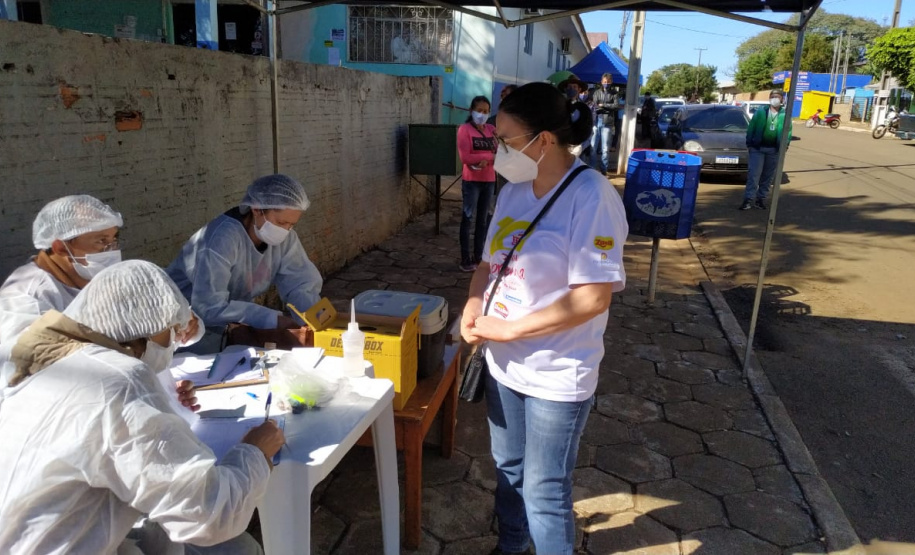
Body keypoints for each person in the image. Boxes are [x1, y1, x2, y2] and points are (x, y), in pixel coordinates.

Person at [0, 260, 284, 554]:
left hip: (24, 535)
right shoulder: (120, 380)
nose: (173, 341)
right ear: (142, 329)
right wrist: (255, 451)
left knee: (161, 541)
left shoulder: (53, 355)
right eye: (170, 330)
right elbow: (208, 513)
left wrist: (161, 397)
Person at [461, 82, 628, 555]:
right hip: (502, 365)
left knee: (544, 489)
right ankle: (511, 546)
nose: (499, 149)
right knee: (508, 469)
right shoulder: (514, 191)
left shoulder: (591, 196)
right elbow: (488, 265)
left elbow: (593, 299)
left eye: (508, 139)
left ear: (545, 140)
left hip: (557, 373)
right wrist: (474, 306)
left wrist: (510, 328)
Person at [167, 174, 322, 350]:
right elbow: (208, 308)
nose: (285, 230)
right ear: (257, 209)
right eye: (281, 222)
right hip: (186, 328)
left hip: (228, 323)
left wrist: (314, 317)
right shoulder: (222, 239)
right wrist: (271, 319)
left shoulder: (285, 239)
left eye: (291, 225)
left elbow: (300, 284)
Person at [0, 195, 124, 345]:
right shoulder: (27, 299)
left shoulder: (87, 277)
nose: (111, 250)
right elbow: (30, 358)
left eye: (114, 240)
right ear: (60, 248)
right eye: (101, 241)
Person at [457, 95, 498, 272]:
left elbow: (501, 152)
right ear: (471, 111)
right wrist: (489, 157)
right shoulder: (464, 130)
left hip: (489, 180)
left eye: (486, 111)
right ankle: (465, 259)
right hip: (471, 181)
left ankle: (480, 256)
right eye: (479, 111)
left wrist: (484, 158)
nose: (482, 114)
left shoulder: (491, 130)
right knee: (468, 219)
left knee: (483, 221)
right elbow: (465, 157)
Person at [740, 89, 792, 211]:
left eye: (778, 97)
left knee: (767, 177)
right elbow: (751, 127)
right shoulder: (761, 112)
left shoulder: (785, 115)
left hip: (774, 150)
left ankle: (760, 199)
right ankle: (748, 199)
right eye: (773, 96)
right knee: (754, 175)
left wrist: (785, 146)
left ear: (782, 99)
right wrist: (749, 143)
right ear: (769, 98)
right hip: (757, 148)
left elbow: (788, 132)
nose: (775, 99)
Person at [590, 73, 618, 173]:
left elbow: (616, 106)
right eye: (605, 82)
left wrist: (604, 105)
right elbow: (595, 105)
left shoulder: (614, 93)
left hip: (607, 123)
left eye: (608, 82)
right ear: (601, 82)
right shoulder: (596, 92)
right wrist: (606, 107)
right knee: (593, 147)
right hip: (596, 121)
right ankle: (592, 169)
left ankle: (603, 170)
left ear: (611, 82)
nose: (606, 83)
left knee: (605, 149)